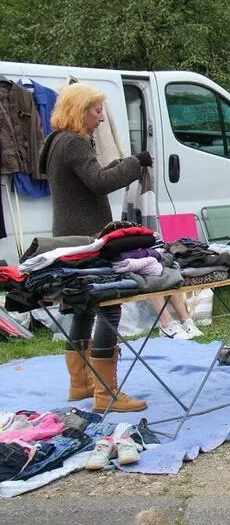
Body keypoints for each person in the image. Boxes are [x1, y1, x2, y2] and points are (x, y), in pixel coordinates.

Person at [40, 83, 153, 412]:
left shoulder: (56, 141)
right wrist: (135, 163)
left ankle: (80, 385)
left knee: (83, 307)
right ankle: (106, 394)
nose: (101, 118)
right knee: (109, 306)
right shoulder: (74, 142)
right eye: (96, 110)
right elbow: (99, 181)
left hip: (68, 236)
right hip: (85, 238)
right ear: (79, 110)